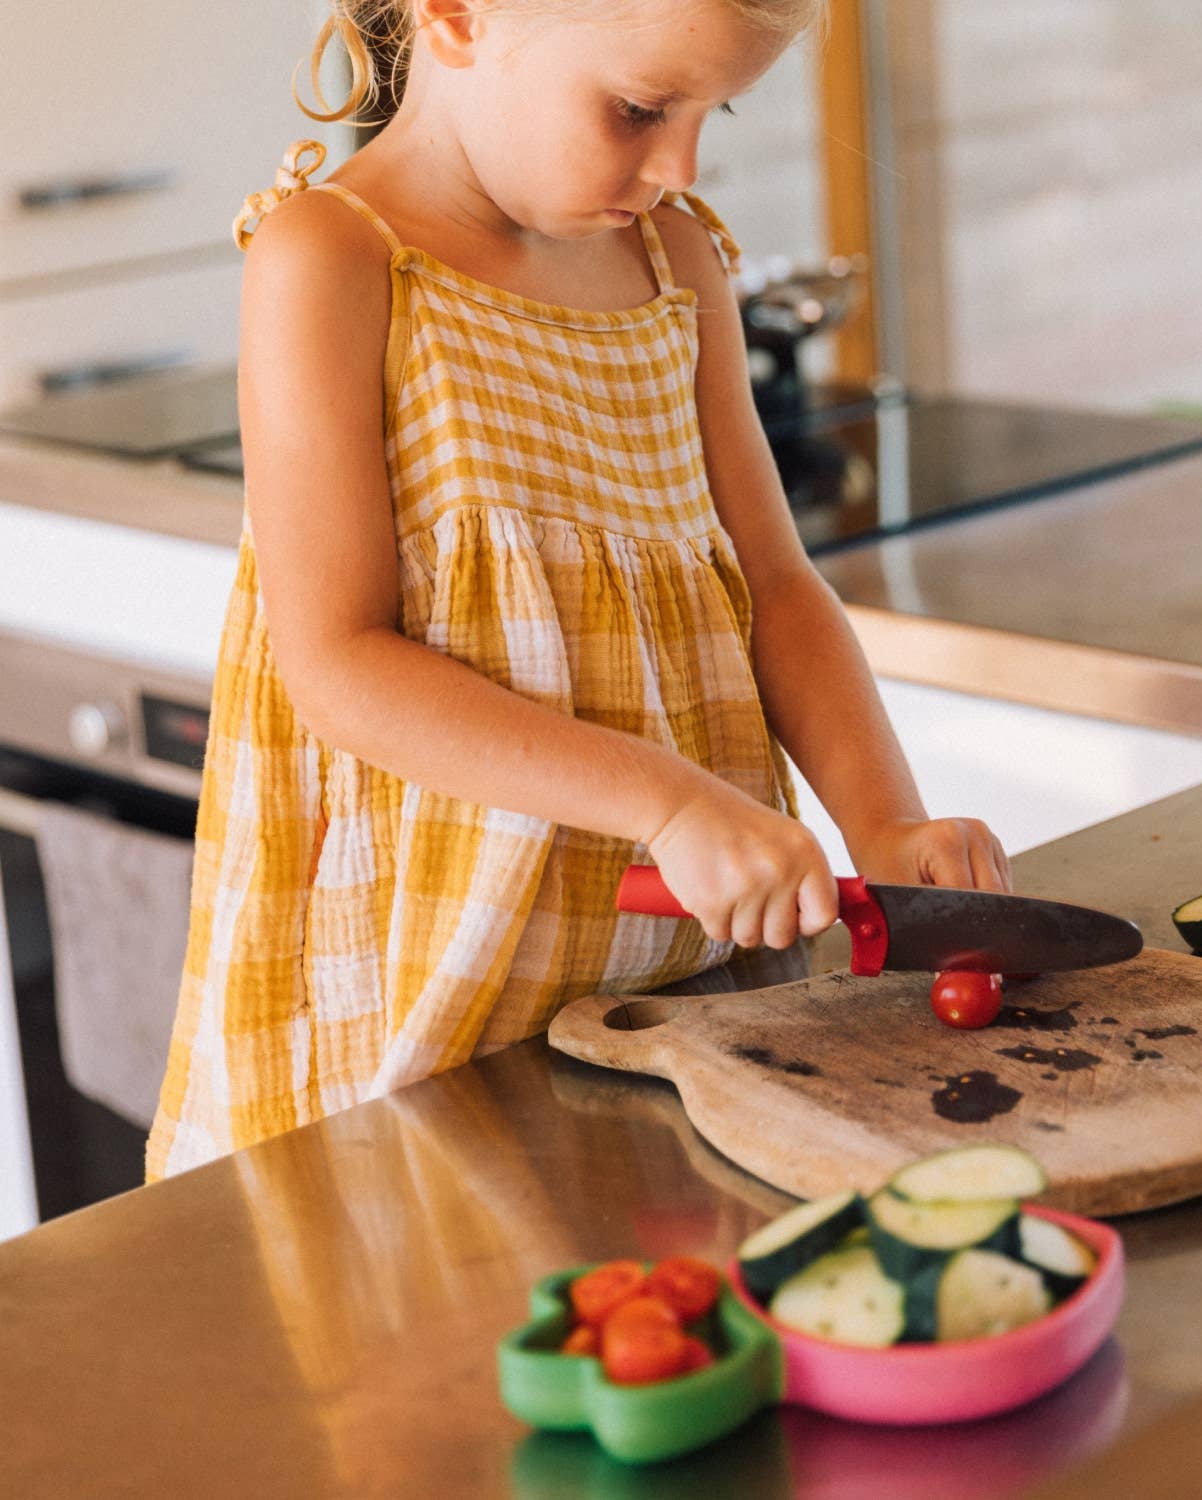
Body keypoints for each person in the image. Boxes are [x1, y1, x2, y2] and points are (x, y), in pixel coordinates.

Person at [146, 0, 1011, 1181]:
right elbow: (338, 663)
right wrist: (667, 804)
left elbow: (775, 584)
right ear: (458, 15)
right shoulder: (332, 259)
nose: (678, 166)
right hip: (433, 987)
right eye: (641, 109)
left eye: (713, 113)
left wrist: (886, 821)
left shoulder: (677, 261)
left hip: (689, 969)